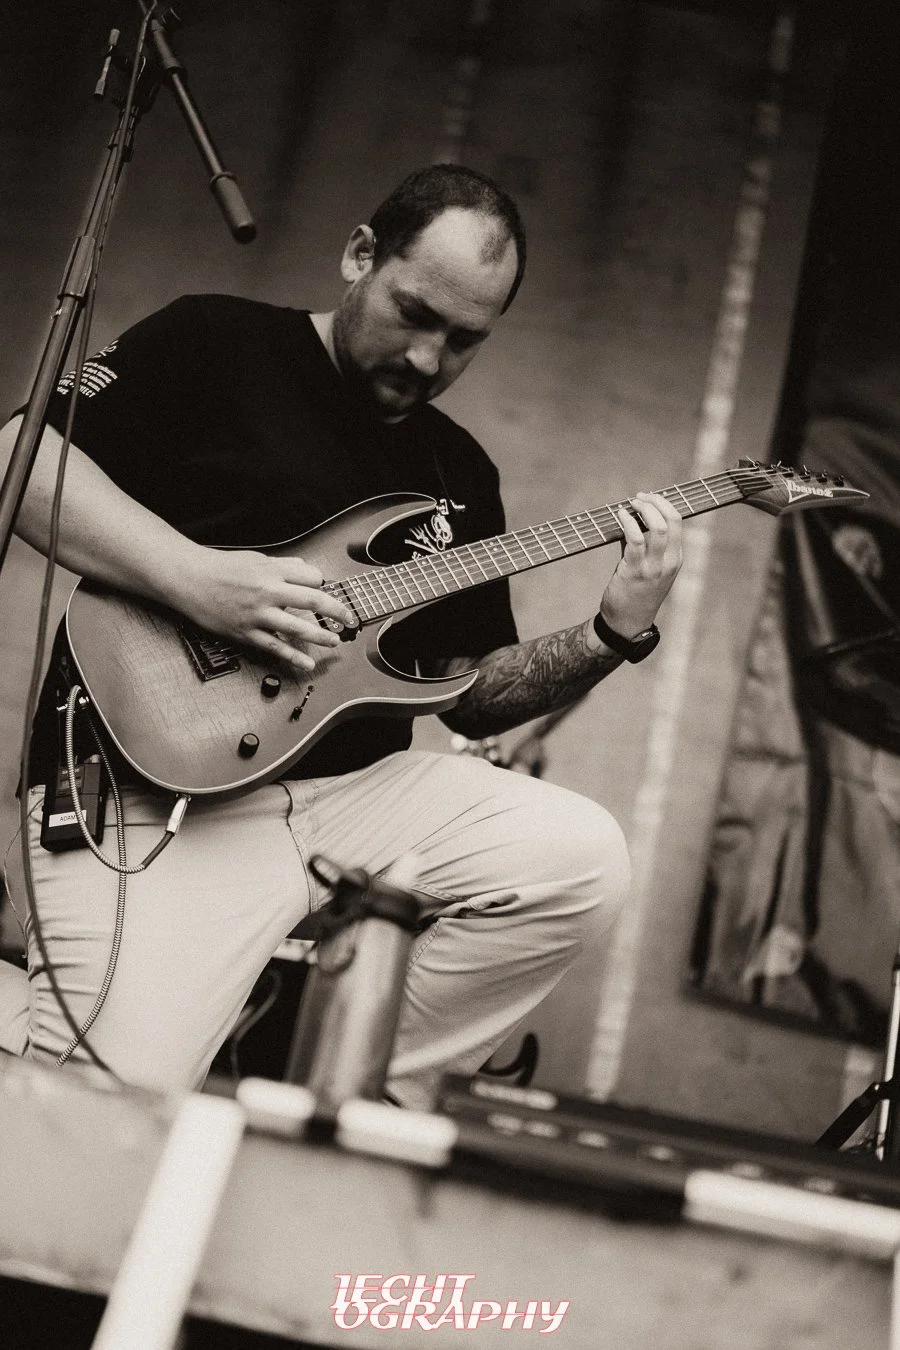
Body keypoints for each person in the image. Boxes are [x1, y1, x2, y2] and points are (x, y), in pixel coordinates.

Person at [0, 165, 683, 1109]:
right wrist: (199, 580)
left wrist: (613, 633)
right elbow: (20, 456)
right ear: (361, 254)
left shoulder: (458, 473)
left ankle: (353, 1092)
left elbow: (474, 693)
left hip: (350, 804)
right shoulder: (214, 340)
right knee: (105, 1114)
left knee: (579, 856)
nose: (428, 359)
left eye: (464, 340)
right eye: (414, 313)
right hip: (147, 795)